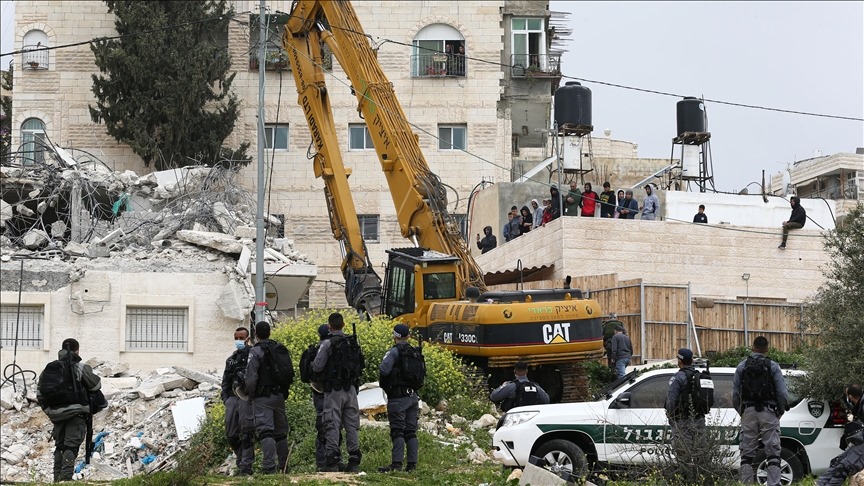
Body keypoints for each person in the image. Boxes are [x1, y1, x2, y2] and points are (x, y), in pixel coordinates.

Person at [37, 338, 102, 483]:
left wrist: (49, 411)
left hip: (56, 415)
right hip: (76, 414)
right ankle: (65, 480)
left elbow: (40, 394)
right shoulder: (80, 367)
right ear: (77, 350)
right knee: (70, 446)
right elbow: (96, 385)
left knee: (60, 446)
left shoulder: (49, 370)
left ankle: (56, 480)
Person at [733, 336, 789, 486]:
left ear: (753, 347)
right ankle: (773, 483)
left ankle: (746, 483)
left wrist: (743, 412)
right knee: (773, 452)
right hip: (769, 411)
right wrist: (779, 411)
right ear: (766, 349)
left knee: (747, 453)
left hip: (748, 411)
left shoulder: (742, 366)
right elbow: (782, 394)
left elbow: (735, 395)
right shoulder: (773, 366)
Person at [312, 312, 363, 473]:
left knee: (332, 423)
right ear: (344, 325)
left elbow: (317, 366)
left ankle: (331, 461)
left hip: (333, 390)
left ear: (329, 326)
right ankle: (354, 460)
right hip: (351, 390)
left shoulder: (327, 344)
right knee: (352, 425)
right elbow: (361, 363)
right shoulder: (352, 341)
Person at [244, 321, 290, 475]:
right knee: (281, 432)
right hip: (279, 396)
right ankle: (284, 465)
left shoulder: (255, 351)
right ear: (270, 333)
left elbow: (251, 378)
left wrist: (250, 396)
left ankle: (269, 467)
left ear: (255, 334)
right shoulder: (278, 348)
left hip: (263, 397)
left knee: (266, 432)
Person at [378, 324, 421, 473]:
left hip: (398, 398)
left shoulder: (394, 352)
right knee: (411, 431)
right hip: (413, 397)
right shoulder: (414, 352)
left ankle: (396, 464)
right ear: (408, 336)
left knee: (397, 431)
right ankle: (412, 465)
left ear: (395, 336)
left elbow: (384, 369)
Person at [665, 348, 706, 471]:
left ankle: (685, 479)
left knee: (684, 457)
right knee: (700, 455)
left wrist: (672, 418)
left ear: (679, 360)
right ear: (692, 360)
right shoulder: (699, 376)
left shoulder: (678, 377)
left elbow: (671, 400)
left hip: (682, 421)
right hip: (699, 419)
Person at [220, 327, 254, 475]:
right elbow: (225, 381)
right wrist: (226, 399)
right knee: (231, 434)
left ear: (248, 339)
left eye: (241, 338)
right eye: (236, 338)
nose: (239, 341)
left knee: (247, 433)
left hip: (246, 398)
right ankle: (241, 457)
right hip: (233, 399)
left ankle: (246, 466)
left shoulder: (253, 355)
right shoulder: (232, 359)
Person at [816, 384, 864, 486]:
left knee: (844, 467)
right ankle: (820, 483)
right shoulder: (859, 406)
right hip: (860, 443)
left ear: (850, 396)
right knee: (837, 462)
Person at [311, 324, 342, 472]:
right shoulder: (336, 347)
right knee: (334, 426)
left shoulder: (321, 348)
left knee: (323, 427)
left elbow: (315, 368)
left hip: (320, 393)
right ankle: (334, 460)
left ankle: (323, 462)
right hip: (335, 392)